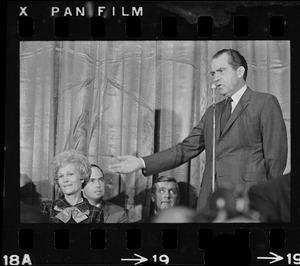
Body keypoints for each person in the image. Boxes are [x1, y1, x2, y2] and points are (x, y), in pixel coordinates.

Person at [109, 49, 288, 214]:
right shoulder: (213, 111)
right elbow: (184, 150)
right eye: (213, 73)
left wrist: (267, 200)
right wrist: (141, 162)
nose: (215, 78)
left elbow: (275, 159)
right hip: (210, 201)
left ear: (239, 72)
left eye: (221, 71)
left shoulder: (264, 103)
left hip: (247, 199)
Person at [40, 150, 103, 223]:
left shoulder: (96, 213)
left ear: (82, 177)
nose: (65, 180)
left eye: (70, 174)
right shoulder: (47, 208)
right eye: (61, 176)